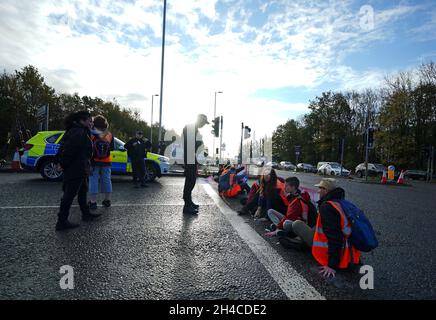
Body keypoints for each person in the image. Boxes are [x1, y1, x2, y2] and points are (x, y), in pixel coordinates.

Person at [290, 178, 361, 278]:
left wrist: (332, 265)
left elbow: (335, 237)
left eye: (320, 188)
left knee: (296, 224)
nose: (318, 191)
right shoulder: (339, 202)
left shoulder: (327, 207)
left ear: (326, 190)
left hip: (339, 254)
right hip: (349, 251)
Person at [55, 111, 101, 231]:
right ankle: (61, 222)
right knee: (69, 195)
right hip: (75, 169)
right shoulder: (79, 132)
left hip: (80, 168)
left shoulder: (78, 130)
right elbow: (69, 150)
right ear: (82, 121)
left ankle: (86, 214)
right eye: (89, 121)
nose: (91, 123)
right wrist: (62, 164)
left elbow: (65, 147)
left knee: (82, 192)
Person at [182, 114, 209, 214]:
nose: (204, 125)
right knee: (190, 181)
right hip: (189, 157)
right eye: (203, 123)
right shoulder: (190, 128)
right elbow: (190, 144)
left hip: (192, 156)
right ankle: (187, 206)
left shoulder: (194, 129)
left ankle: (189, 202)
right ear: (200, 120)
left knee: (191, 180)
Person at [88, 115, 114, 209]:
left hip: (93, 161)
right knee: (107, 180)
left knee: (93, 180)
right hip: (106, 161)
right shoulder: (109, 134)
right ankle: (107, 200)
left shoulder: (91, 133)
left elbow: (88, 147)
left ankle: (93, 202)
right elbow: (112, 148)